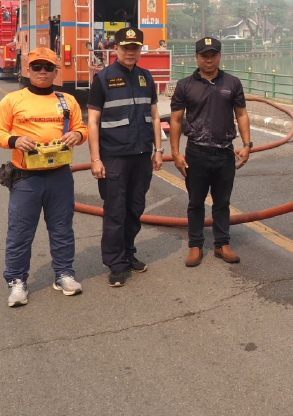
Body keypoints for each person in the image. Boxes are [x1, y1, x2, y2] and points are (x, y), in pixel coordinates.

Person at [0, 47, 87, 308]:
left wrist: (77, 135)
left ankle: (64, 274)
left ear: (56, 71)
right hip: (25, 177)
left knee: (62, 228)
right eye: (37, 67)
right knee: (20, 232)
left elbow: (81, 128)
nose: (42, 72)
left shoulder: (68, 100)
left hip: (60, 175)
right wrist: (14, 139)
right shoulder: (12, 100)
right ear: (28, 70)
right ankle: (17, 281)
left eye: (48, 67)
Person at [87, 27, 163, 287]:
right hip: (114, 158)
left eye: (135, 48)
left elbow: (154, 117)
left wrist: (158, 150)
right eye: (125, 47)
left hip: (142, 157)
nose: (131, 52)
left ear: (140, 50)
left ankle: (129, 254)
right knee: (115, 212)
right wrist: (96, 159)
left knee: (135, 209)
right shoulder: (103, 78)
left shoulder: (146, 77)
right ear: (115, 49)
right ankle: (116, 263)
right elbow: (93, 121)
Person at [169, 37, 252, 267]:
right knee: (195, 201)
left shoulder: (232, 83)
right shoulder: (185, 85)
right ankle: (195, 245)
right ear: (196, 58)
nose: (209, 59)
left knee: (222, 201)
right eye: (204, 55)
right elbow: (176, 121)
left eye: (213, 55)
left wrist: (247, 145)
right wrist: (175, 153)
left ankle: (222, 244)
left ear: (220, 56)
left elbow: (242, 114)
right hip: (196, 153)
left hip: (225, 153)